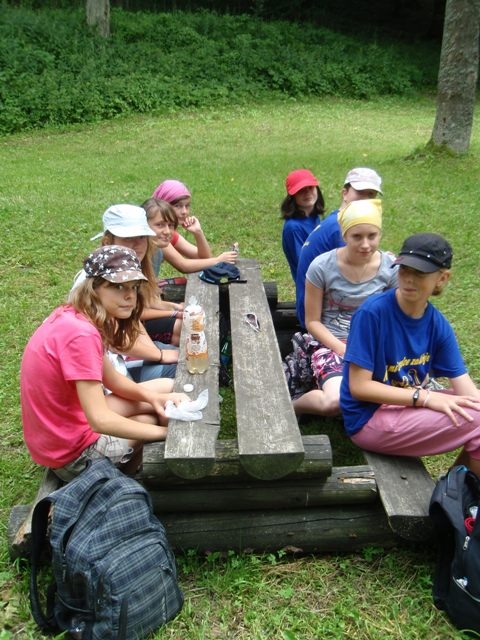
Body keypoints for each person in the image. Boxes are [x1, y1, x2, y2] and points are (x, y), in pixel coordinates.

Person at [21, 245, 190, 482]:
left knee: (165, 389)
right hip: (72, 455)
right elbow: (99, 419)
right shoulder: (81, 335)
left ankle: (160, 464)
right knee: (148, 421)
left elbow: (112, 380)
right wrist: (164, 433)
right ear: (93, 288)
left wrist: (153, 398)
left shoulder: (74, 315)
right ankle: (133, 480)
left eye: (133, 287)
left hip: (61, 430)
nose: (130, 296)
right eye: (118, 286)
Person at [340, 232, 480, 475]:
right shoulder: (372, 314)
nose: (408, 279)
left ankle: (457, 489)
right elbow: (359, 387)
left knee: (474, 408)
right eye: (404, 269)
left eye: (420, 273)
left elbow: (465, 389)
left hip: (403, 408)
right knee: (478, 420)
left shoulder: (437, 324)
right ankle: (461, 491)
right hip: (368, 419)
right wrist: (424, 397)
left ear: (442, 278)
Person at [287, 198, 397, 417]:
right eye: (357, 236)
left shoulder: (390, 268)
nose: (365, 244)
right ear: (344, 235)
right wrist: (341, 348)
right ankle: (292, 407)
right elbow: (312, 321)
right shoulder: (321, 266)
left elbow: (394, 317)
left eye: (372, 236)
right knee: (334, 402)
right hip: (332, 341)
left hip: (373, 344)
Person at [72, 204, 181, 381]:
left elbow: (134, 321)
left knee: (184, 356)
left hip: (120, 360)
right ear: (107, 241)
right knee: (179, 369)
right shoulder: (95, 280)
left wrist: (157, 352)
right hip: (106, 372)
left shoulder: (130, 271)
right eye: (128, 238)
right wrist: (159, 355)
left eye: (141, 237)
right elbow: (116, 340)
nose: (137, 244)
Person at [295, 167, 382, 328]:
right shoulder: (339, 229)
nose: (365, 200)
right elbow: (358, 281)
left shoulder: (337, 218)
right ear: (345, 193)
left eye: (371, 194)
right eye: (360, 192)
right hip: (320, 317)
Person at [151, 180, 237, 274]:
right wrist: (218, 260)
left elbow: (205, 258)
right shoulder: (157, 234)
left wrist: (198, 232)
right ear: (163, 205)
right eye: (177, 206)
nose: (184, 212)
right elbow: (183, 266)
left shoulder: (170, 234)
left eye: (187, 206)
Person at [280, 168, 325, 282]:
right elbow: (304, 264)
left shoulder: (314, 217)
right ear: (292, 197)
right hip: (310, 285)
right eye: (301, 190)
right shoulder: (293, 228)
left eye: (311, 187)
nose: (307, 193)